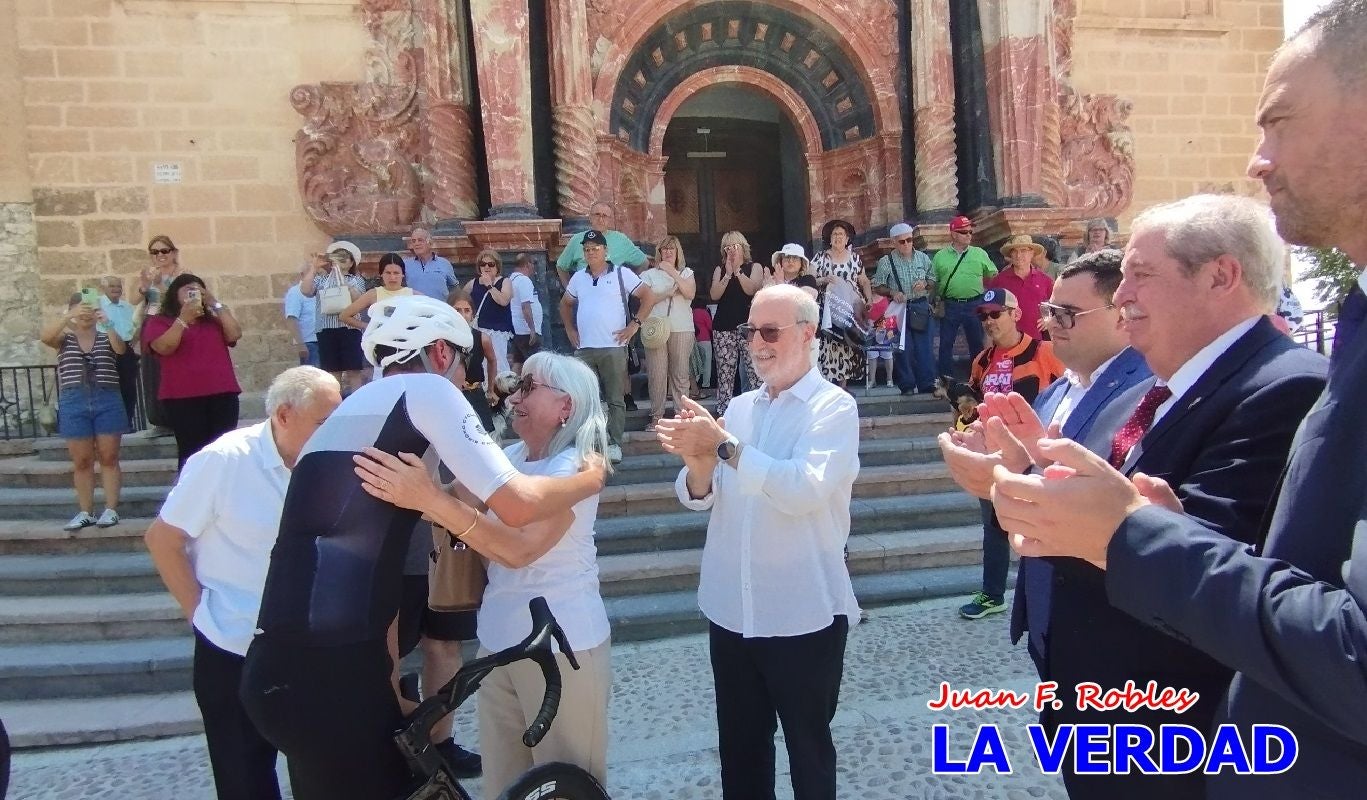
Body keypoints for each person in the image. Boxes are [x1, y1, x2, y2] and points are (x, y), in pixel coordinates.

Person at [991, 7, 1367, 790]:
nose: (1257, 161)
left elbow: (1346, 645)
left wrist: (1132, 531)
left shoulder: (1287, 381)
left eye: (1279, 122)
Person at [240, 295, 605, 800]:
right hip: (336, 675)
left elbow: (381, 568)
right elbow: (519, 507)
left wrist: (388, 682)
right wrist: (594, 477)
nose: (464, 382)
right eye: (464, 363)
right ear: (439, 352)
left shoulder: (355, 412)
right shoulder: (428, 393)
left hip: (277, 669)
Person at [355, 352, 613, 797]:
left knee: (567, 783)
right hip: (499, 640)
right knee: (505, 782)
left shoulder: (573, 466)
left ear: (566, 406)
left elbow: (518, 549)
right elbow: (445, 502)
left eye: (529, 387)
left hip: (564, 644)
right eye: (517, 385)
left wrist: (432, 500)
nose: (515, 396)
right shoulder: (510, 456)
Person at [659, 284, 860, 800]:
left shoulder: (833, 408)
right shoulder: (742, 406)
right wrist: (699, 466)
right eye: (751, 332)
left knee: (808, 751)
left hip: (802, 613)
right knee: (741, 751)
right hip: (732, 611)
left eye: (770, 332)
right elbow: (705, 497)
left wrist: (721, 446)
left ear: (808, 333)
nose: (757, 344)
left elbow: (802, 489)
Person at [939, 250, 1149, 665]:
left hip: (1114, 628)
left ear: (1121, 313)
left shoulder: (1152, 391)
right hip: (1052, 625)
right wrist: (998, 459)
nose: (1052, 323)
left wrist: (1016, 470)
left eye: (1067, 313)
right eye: (1051, 311)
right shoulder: (1054, 391)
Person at [144, 367, 342, 800]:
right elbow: (163, 540)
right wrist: (200, 614)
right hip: (233, 647)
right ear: (285, 415)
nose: (335, 430)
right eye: (325, 421)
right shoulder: (223, 461)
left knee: (325, 775)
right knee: (245, 781)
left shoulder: (326, 464)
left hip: (306, 649)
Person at [957, 288, 1064, 620]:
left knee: (1045, 526)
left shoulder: (1044, 351)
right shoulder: (982, 361)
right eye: (984, 316)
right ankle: (993, 595)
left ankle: (1052, 595)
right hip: (995, 455)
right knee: (995, 527)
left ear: (1015, 314)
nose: (989, 321)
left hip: (1038, 458)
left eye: (996, 313)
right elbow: (970, 407)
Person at [560, 229, 655, 463]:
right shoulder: (578, 278)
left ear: (606, 251)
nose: (591, 253)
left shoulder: (622, 274)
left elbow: (648, 296)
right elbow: (565, 304)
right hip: (585, 349)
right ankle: (586, 442)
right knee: (583, 398)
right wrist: (570, 330)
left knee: (614, 398)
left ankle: (614, 442)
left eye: (595, 249)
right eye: (587, 250)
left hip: (613, 346)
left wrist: (634, 325)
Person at [40, 293, 128, 531]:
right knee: (81, 460)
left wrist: (107, 321)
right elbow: (46, 337)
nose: (86, 313)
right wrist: (68, 316)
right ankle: (86, 511)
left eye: (90, 308)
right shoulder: (65, 339)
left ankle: (110, 509)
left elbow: (120, 349)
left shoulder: (104, 336)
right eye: (82, 308)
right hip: (74, 400)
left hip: (107, 397)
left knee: (109, 457)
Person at [142, 274, 242, 470]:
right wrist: (182, 320)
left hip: (222, 393)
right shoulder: (159, 322)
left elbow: (235, 333)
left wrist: (214, 303)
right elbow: (164, 347)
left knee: (224, 451)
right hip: (183, 397)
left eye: (197, 290)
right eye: (187, 289)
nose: (193, 293)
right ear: (174, 294)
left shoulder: (213, 321)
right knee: (192, 453)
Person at [871, 223, 937, 395]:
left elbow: (933, 280)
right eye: (902, 242)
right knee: (902, 348)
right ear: (894, 242)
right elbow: (877, 285)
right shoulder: (886, 262)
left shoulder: (923, 258)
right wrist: (892, 292)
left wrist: (925, 284)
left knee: (925, 348)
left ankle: (927, 383)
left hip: (920, 305)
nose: (907, 244)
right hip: (899, 308)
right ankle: (907, 384)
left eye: (909, 240)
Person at [639, 235, 696, 431]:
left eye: (672, 249)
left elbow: (689, 293)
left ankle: (682, 416)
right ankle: (657, 417)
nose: (668, 252)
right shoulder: (649, 275)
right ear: (659, 253)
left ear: (678, 252)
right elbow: (645, 299)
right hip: (655, 329)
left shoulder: (687, 273)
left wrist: (672, 271)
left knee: (680, 374)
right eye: (664, 249)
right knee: (657, 374)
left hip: (681, 328)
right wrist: (667, 293)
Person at [932, 215, 997, 382]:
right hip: (950, 304)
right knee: (945, 344)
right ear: (953, 234)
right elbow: (933, 280)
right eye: (964, 232)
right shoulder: (940, 256)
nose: (969, 235)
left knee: (977, 344)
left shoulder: (979, 253)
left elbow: (993, 276)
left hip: (975, 304)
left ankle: (978, 378)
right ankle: (945, 380)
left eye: (970, 231)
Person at [298, 242, 366, 394]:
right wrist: (314, 268)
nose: (340, 261)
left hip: (350, 329)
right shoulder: (322, 280)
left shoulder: (356, 280)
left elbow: (358, 299)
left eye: (344, 258)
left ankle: (357, 404)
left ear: (351, 262)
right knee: (332, 373)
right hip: (326, 330)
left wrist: (343, 280)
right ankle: (335, 406)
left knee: (353, 370)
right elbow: (305, 291)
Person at [813, 219, 873, 390]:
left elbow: (864, 281)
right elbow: (810, 279)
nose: (838, 237)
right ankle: (828, 385)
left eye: (841, 234)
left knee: (848, 343)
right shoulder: (820, 258)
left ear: (847, 239)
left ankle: (843, 385)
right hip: (828, 311)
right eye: (834, 234)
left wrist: (868, 300)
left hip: (850, 310)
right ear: (829, 238)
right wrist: (824, 279)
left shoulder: (855, 258)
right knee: (830, 343)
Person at [709, 231, 765, 414]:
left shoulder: (754, 267)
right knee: (725, 374)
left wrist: (738, 271)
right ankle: (724, 412)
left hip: (748, 327)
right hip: (723, 327)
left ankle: (760, 409)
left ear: (743, 247)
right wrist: (727, 274)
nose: (731, 251)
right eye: (728, 247)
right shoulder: (719, 269)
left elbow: (752, 289)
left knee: (755, 371)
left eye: (735, 246)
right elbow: (714, 295)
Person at [137, 234, 184, 430]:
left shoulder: (182, 274)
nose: (160, 255)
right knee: (152, 373)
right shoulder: (147, 273)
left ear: (173, 253)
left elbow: (178, 299)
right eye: (155, 252)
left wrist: (159, 284)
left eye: (164, 251)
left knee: (173, 370)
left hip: (173, 323)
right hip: (151, 322)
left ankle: (177, 416)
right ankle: (158, 419)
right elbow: (133, 298)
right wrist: (146, 285)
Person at [555, 201, 648, 288]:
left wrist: (629, 287)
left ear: (610, 220)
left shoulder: (620, 240)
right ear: (590, 217)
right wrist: (570, 291)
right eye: (597, 215)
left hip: (613, 296)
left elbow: (643, 262)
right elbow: (561, 266)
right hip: (585, 295)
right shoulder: (577, 239)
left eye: (605, 216)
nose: (600, 219)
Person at [450, 291, 500, 435]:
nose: (462, 314)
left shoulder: (482, 338)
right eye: (457, 310)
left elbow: (492, 360)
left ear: (473, 314)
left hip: (475, 392)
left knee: (484, 434)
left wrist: (491, 389)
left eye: (467, 310)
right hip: (452, 395)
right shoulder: (442, 340)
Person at [989, 235, 1054, 340]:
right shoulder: (999, 281)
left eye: (1023, 251)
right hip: (1007, 341)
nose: (1018, 255)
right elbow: (988, 310)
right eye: (1014, 251)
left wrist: (1049, 319)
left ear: (1032, 253)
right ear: (1010, 254)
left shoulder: (1045, 280)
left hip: (1036, 340)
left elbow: (1056, 305)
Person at [98, 275, 140, 427]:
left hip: (126, 349)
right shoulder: (96, 306)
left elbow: (136, 326)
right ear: (103, 288)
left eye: (118, 286)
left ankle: (126, 423)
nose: (116, 289)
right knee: (106, 387)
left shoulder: (127, 307)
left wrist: (133, 342)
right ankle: (108, 424)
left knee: (128, 387)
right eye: (112, 286)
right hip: (104, 348)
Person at [339, 253, 413, 332]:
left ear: (403, 274)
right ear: (381, 274)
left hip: (406, 341)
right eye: (388, 273)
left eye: (396, 273)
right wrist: (368, 326)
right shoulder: (373, 294)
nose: (392, 277)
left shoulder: (414, 295)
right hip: (379, 341)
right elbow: (344, 316)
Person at [402, 227, 459, 301]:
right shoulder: (405, 264)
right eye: (414, 241)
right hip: (415, 310)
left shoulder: (444, 263)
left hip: (440, 310)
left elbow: (455, 289)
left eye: (420, 240)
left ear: (430, 243)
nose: (416, 243)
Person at [508, 253, 543, 370]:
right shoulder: (524, 280)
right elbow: (525, 307)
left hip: (517, 330)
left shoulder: (510, 280)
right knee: (534, 365)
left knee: (518, 362)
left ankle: (513, 387)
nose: (534, 268)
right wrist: (532, 329)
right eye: (534, 264)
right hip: (526, 331)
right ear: (527, 264)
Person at [282, 280, 319, 368]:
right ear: (303, 274)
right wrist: (301, 344)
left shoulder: (320, 289)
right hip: (310, 343)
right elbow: (291, 319)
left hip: (325, 340)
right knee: (313, 379)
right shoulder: (295, 292)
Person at [690, 303, 713, 399]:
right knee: (707, 362)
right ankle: (706, 384)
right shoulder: (704, 312)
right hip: (705, 339)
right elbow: (710, 326)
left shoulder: (691, 312)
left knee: (696, 363)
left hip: (694, 340)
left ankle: (696, 381)